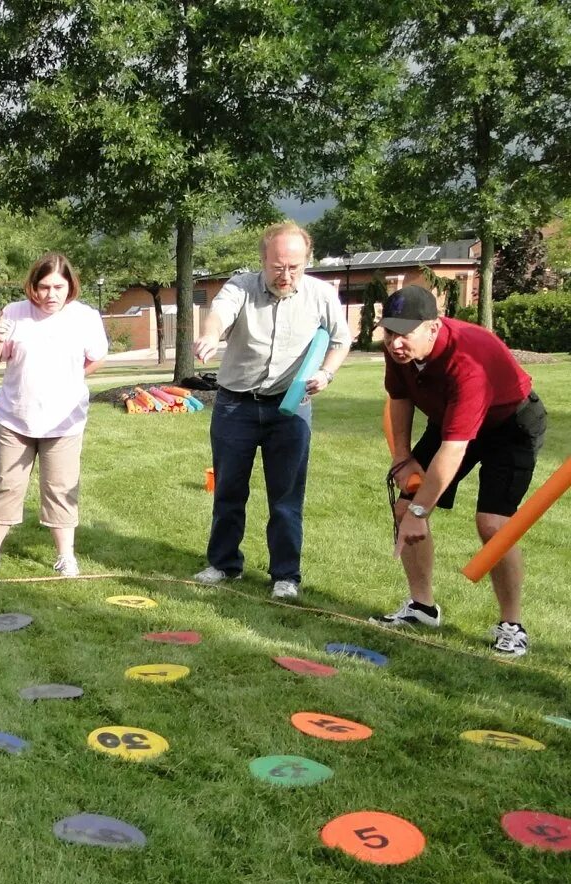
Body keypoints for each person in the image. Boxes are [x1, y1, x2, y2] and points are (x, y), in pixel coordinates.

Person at [369, 285, 546, 657]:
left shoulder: (468, 358)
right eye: (389, 333)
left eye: (405, 334)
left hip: (510, 426)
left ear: (433, 327)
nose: (395, 343)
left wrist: (422, 511)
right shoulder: (398, 352)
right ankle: (422, 608)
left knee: (493, 525)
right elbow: (399, 397)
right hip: (450, 419)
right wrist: (402, 456)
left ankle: (511, 625)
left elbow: (454, 449)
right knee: (404, 507)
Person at [192, 221, 351, 600]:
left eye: (295, 267)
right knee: (229, 490)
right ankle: (224, 564)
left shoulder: (321, 294)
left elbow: (341, 339)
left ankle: (285, 576)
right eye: (278, 266)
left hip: (291, 408)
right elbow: (220, 314)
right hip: (236, 406)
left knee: (287, 497)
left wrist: (326, 374)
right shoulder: (240, 287)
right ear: (263, 259)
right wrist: (211, 335)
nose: (286, 275)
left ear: (306, 261)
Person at [0, 251, 109, 577]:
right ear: (33, 286)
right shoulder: (14, 313)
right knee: (7, 485)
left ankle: (65, 557)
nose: (50, 295)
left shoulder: (85, 317)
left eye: (58, 287)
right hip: (15, 417)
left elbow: (97, 357)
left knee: (60, 487)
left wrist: (73, 379)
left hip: (64, 422)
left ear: (70, 285)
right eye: (44, 287)